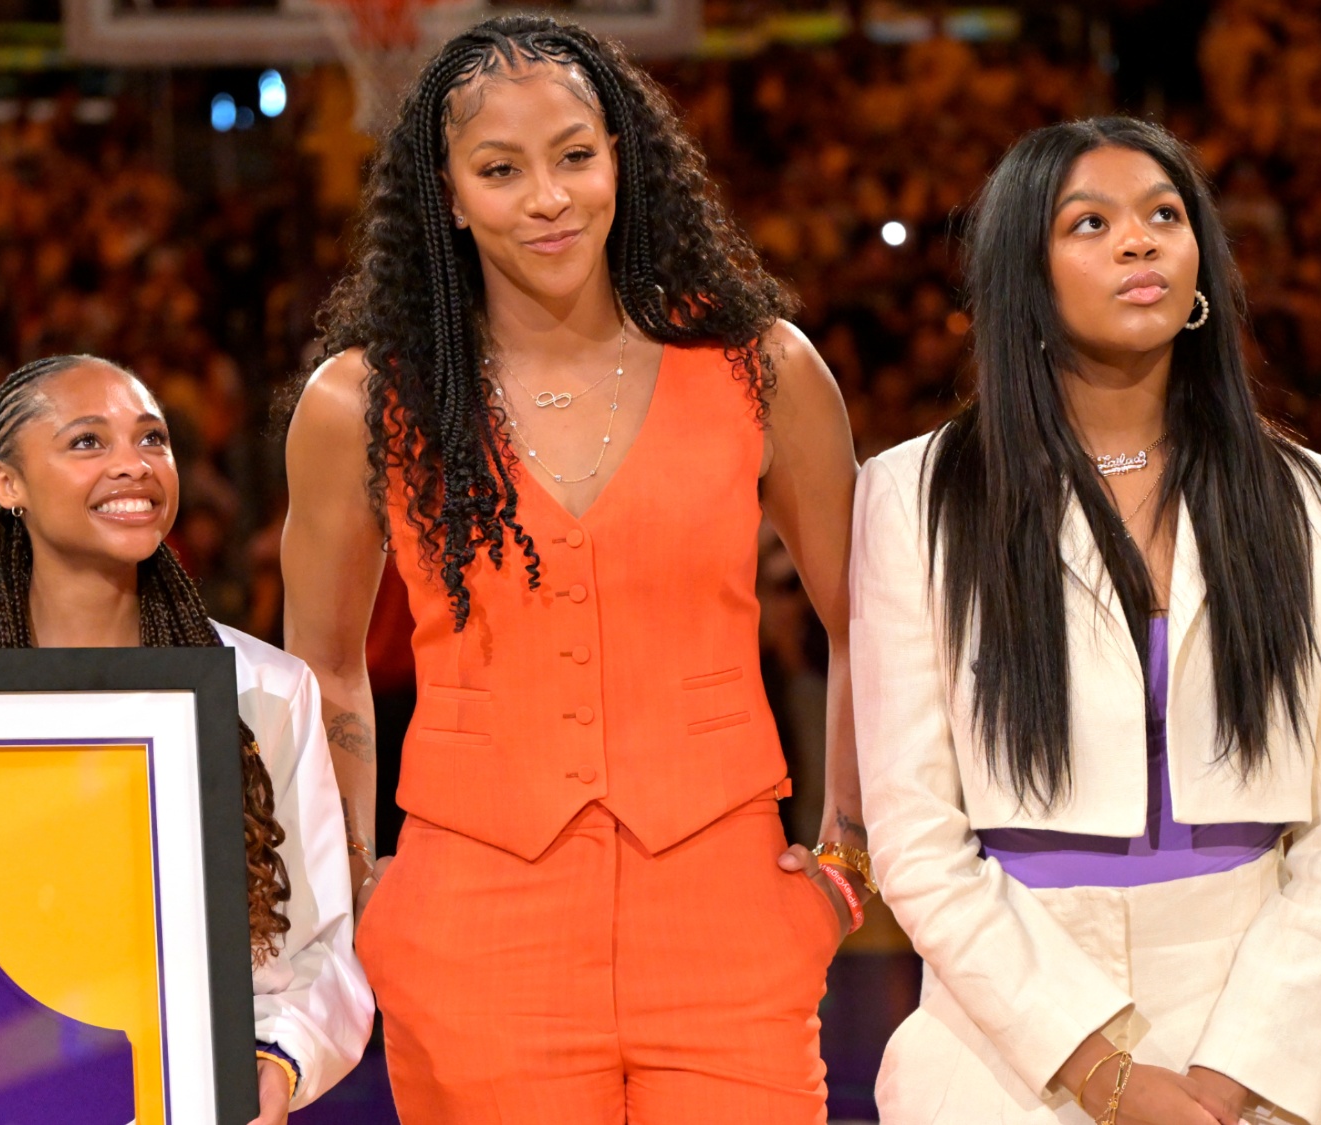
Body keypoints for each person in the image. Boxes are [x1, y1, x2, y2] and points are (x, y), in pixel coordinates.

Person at [282, 15, 864, 1122]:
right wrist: (348, 886)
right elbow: (323, 671)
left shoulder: (762, 369)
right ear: (447, 195)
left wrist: (851, 851)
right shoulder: (359, 402)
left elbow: (871, 626)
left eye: (574, 157)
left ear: (620, 162)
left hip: (728, 915)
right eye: (500, 170)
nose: (546, 198)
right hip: (468, 926)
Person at [852, 116, 1321, 1125]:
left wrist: (1225, 1079)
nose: (1137, 241)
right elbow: (913, 838)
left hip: (1255, 1034)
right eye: (1089, 222)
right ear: (1022, 278)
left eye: (1163, 215)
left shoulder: (1316, 501)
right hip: (1004, 1040)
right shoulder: (912, 497)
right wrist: (1104, 1076)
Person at [0, 354, 374, 1125]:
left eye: (153, 439)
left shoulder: (265, 691)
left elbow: (320, 954)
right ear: (8, 484)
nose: (132, 465)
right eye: (86, 442)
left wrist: (275, 1065)